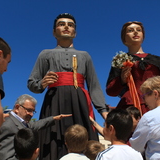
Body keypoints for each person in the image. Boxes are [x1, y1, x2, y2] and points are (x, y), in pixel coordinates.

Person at [27, 13, 108, 159]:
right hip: (53, 104)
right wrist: (42, 83)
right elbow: (32, 83)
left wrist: (104, 112)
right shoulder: (45, 54)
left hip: (80, 103)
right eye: (61, 24)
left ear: (75, 33)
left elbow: (94, 86)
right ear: (54, 32)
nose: (66, 26)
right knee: (53, 142)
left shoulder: (85, 55)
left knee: (84, 143)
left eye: (70, 25)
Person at [106, 21, 160, 115]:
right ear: (124, 38)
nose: (135, 32)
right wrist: (122, 80)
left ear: (143, 36)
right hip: (133, 107)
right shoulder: (119, 60)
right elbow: (111, 91)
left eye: (139, 30)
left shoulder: (157, 59)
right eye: (130, 30)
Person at [0, 94, 72, 160]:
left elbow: (37, 124)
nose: (32, 114)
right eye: (29, 110)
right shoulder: (8, 124)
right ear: (17, 107)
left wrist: (55, 118)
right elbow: (5, 157)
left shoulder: (24, 123)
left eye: (33, 111)